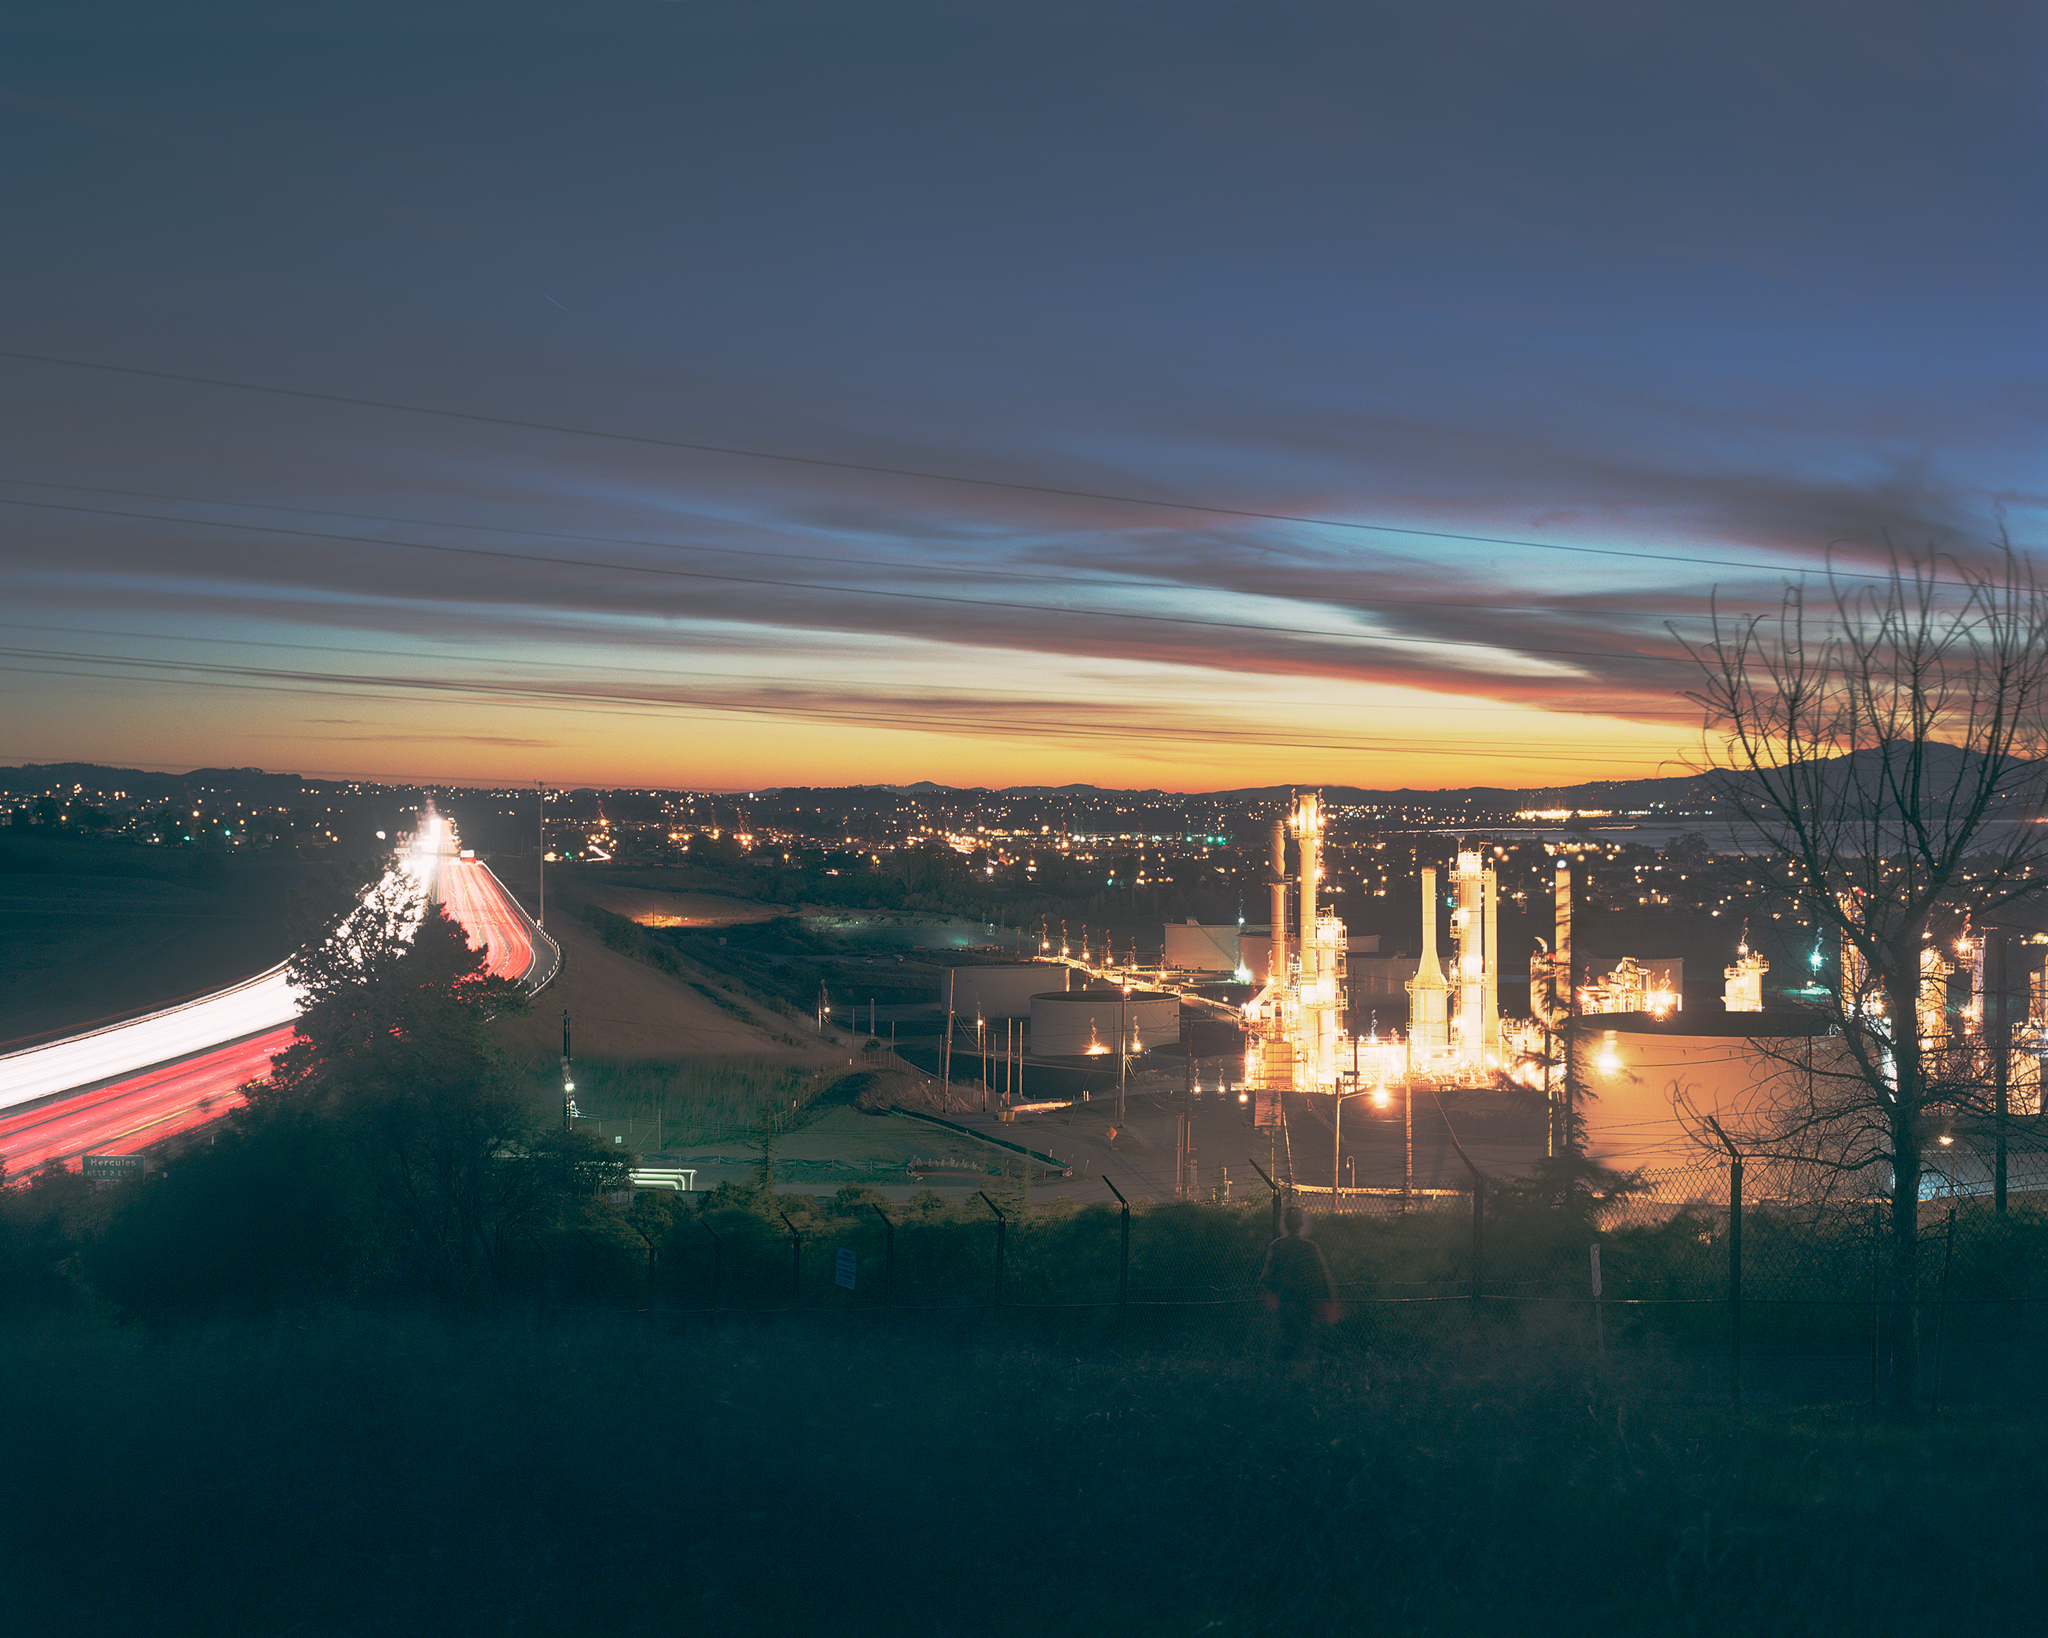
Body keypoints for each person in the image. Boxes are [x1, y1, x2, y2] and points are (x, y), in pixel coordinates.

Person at [1259, 1204, 1336, 1361]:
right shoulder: (1310, 1247)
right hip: (1307, 1304)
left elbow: (1268, 1278)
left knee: (1285, 1342)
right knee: (1306, 1342)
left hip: (1285, 1302)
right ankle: (1304, 1374)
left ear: (1285, 1224)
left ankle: (1283, 1374)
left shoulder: (1277, 1246)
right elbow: (1321, 1278)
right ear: (1301, 1224)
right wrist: (1328, 1301)